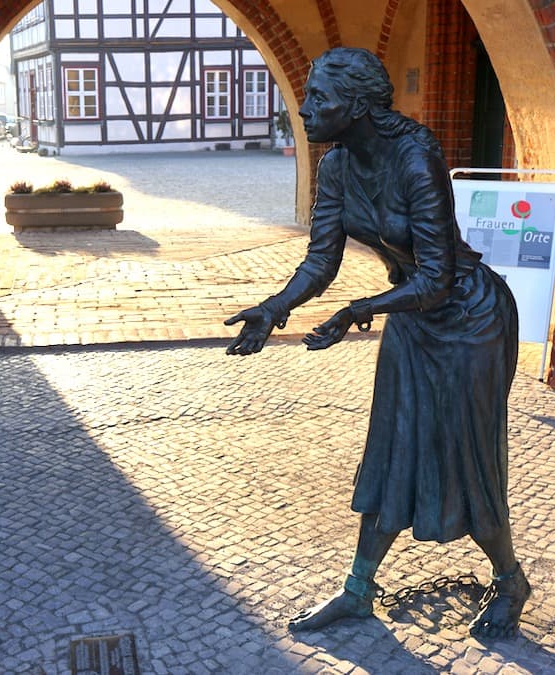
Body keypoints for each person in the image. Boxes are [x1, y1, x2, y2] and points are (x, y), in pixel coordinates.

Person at [224, 47, 529, 639]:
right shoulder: (337, 166)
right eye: (307, 97)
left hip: (469, 318)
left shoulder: (417, 155)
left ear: (358, 106)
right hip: (413, 317)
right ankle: (359, 590)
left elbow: (438, 276)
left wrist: (359, 310)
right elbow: (321, 259)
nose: (304, 110)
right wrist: (274, 308)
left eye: (318, 99)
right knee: (392, 450)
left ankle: (511, 579)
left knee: (464, 458)